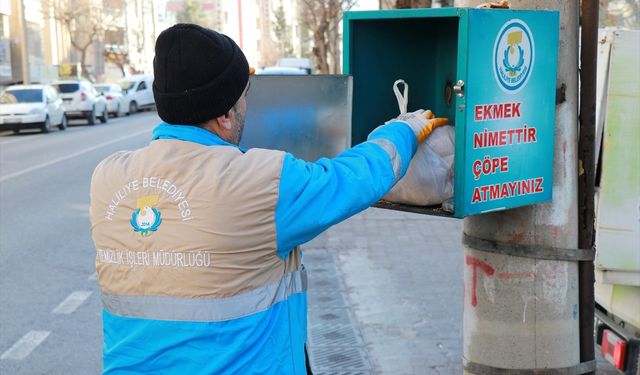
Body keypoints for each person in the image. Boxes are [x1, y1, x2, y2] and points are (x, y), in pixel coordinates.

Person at [90, 23, 442, 374]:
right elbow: (352, 179)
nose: (249, 104)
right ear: (225, 116)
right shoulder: (261, 182)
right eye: (245, 96)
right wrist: (403, 129)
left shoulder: (108, 177)